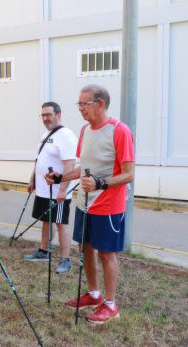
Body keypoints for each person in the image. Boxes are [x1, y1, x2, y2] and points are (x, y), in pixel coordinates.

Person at [46, 84, 134, 325]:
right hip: (85, 204)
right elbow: (82, 167)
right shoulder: (84, 131)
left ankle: (111, 304)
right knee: (85, 248)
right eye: (79, 104)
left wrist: (100, 183)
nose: (81, 109)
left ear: (101, 104)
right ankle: (94, 295)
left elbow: (129, 174)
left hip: (108, 205)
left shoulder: (119, 131)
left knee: (107, 254)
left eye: (85, 103)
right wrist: (60, 177)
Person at [24, 101, 77, 274]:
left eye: (49, 115)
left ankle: (65, 259)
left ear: (58, 115)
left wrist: (62, 190)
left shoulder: (66, 135)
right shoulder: (46, 134)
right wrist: (33, 179)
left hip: (57, 191)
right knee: (46, 220)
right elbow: (40, 159)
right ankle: (43, 251)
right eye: (43, 115)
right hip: (43, 189)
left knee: (60, 223)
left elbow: (70, 165)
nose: (46, 118)